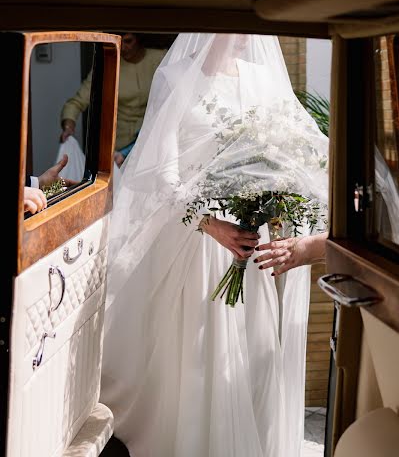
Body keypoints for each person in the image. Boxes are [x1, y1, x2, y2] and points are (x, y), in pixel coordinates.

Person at [100, 33, 329, 457]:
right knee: (201, 353)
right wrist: (211, 225)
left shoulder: (263, 81)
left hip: (251, 240)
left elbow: (298, 153)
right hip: (201, 243)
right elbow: (160, 174)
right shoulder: (176, 78)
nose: (248, 37)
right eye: (237, 27)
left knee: (254, 353)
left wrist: (275, 204)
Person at [60, 33, 166, 165]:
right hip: (118, 147)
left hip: (152, 142)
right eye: (119, 42)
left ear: (139, 39)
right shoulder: (109, 64)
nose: (123, 47)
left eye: (128, 41)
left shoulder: (161, 58)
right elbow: (77, 102)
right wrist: (68, 125)